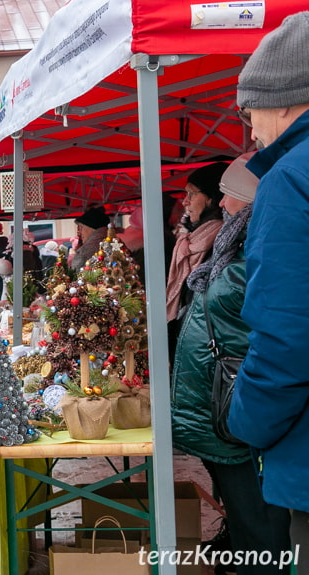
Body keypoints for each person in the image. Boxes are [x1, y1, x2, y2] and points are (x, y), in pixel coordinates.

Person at [171, 153, 291, 574]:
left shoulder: (257, 248)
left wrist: (252, 414)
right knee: (245, 522)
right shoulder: (235, 244)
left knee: (261, 528)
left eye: (230, 195)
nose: (222, 204)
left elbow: (273, 338)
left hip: (242, 414)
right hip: (223, 413)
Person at [228, 13, 309, 572]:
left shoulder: (290, 178)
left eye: (250, 110)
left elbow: (286, 333)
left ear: (284, 101)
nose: (250, 128)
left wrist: (245, 423)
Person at [165, 162, 227, 357]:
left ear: (212, 198)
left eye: (192, 194)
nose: (185, 202)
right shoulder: (188, 241)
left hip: (206, 349)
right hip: (189, 345)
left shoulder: (224, 242)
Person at [70, 206, 111, 271]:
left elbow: (75, 273)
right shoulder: (116, 242)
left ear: (91, 228)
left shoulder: (85, 251)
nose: (80, 232)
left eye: (82, 227)